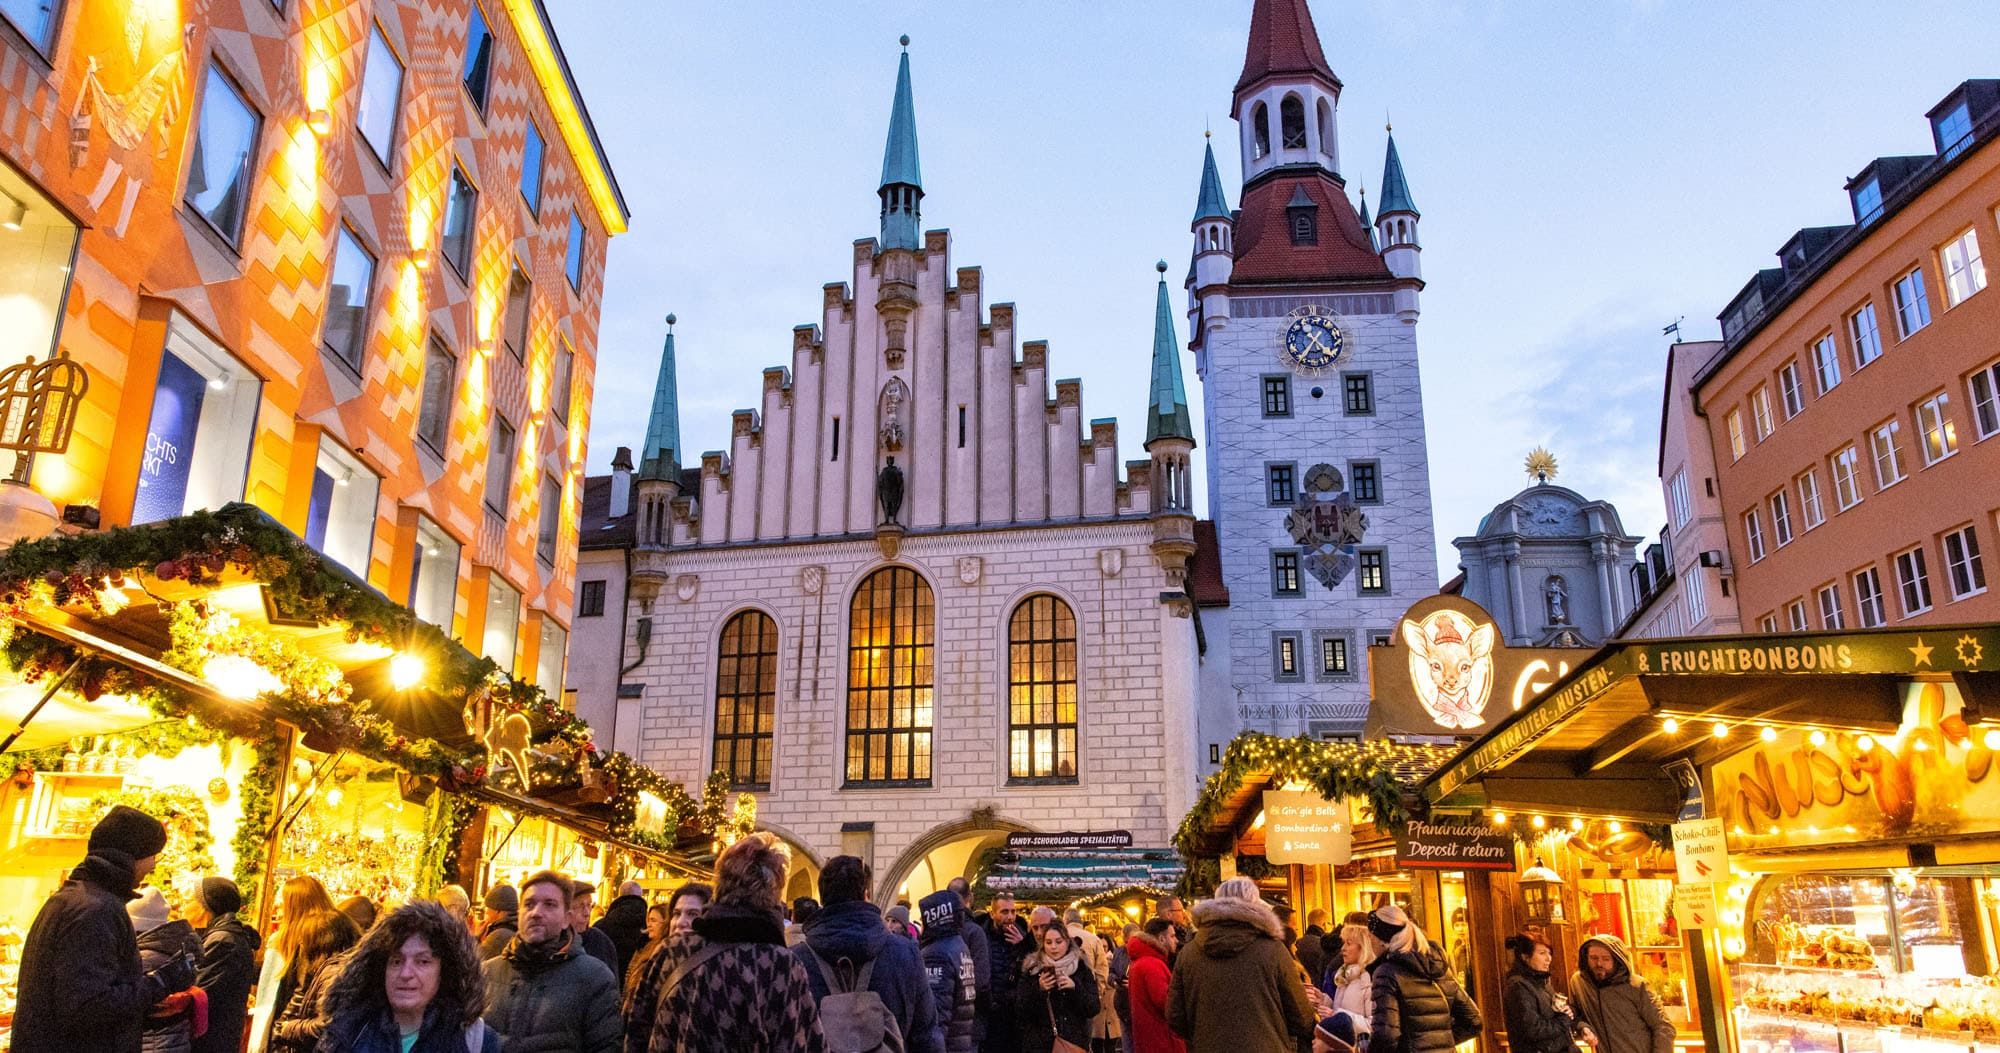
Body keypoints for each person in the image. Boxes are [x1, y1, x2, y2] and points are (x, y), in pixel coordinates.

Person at [11, 805, 196, 1053]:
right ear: (132, 855)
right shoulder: (96, 910)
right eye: (152, 855)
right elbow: (87, 1006)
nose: (153, 866)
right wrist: (162, 981)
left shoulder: (73, 898)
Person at [623, 832, 824, 1052]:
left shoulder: (672, 951)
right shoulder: (781, 965)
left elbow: (635, 1031)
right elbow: (801, 1043)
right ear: (773, 892)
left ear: (720, 882)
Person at [792, 855, 942, 1053]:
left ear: (822, 898)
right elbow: (926, 1035)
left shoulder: (795, 961)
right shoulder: (904, 952)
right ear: (866, 894)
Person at [318, 899, 502, 1053]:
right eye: (396, 961)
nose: (406, 973)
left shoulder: (474, 1041)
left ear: (445, 971)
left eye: (422, 961)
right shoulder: (349, 1032)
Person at [1165, 877, 1314, 1053]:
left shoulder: (1188, 954)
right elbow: (1301, 1017)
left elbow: (1175, 1016)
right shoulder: (1273, 951)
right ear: (1255, 904)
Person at [479, 870, 619, 1053]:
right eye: (529, 904)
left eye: (550, 905)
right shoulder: (487, 973)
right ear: (519, 913)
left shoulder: (595, 979)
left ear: (566, 918)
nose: (536, 913)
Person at [266, 875, 363, 1053]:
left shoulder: (312, 934)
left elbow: (301, 994)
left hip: (304, 1037)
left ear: (294, 906)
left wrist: (282, 1030)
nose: (280, 910)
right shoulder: (346, 928)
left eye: (283, 904)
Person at [1365, 904, 1480, 1053]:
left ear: (1381, 939)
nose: (1369, 942)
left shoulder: (1386, 972)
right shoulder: (1439, 968)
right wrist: (1440, 1042)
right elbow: (1473, 1021)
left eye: (1370, 937)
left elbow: (1386, 1035)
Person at [187, 876, 260, 1053]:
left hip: (212, 1040)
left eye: (190, 899)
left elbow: (198, 991)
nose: (184, 905)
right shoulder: (219, 935)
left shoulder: (223, 940)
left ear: (205, 907)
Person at [130, 886, 206, 1053]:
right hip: (174, 1041)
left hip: (152, 1043)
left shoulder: (144, 958)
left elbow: (129, 1004)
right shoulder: (174, 950)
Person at [1570, 934, 1674, 1053]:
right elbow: (1575, 1014)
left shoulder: (1637, 986)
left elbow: (1663, 1027)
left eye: (1606, 959)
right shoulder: (1579, 983)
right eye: (1593, 958)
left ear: (1617, 959)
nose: (1599, 963)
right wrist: (1583, 1027)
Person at [1019, 922, 1101, 1053]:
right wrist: (1039, 989)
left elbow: (1093, 1008)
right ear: (1043, 944)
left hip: (1073, 1043)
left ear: (1067, 942)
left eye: (1058, 942)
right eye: (1048, 942)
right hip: (1039, 1044)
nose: (1053, 947)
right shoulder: (1033, 969)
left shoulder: (1081, 968)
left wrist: (1075, 988)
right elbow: (1021, 1009)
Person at [918, 888, 978, 1053]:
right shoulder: (959, 946)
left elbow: (936, 1013)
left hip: (946, 1045)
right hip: (960, 1043)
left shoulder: (937, 954)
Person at [1503, 933, 1583, 1053]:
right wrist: (1565, 1019)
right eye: (1542, 953)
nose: (1548, 958)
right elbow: (1533, 1030)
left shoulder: (1542, 983)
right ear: (1525, 957)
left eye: (1549, 953)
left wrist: (1568, 1011)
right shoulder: (1518, 986)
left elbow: (1552, 1016)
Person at [979, 892, 1032, 1053]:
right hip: (990, 1013)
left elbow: (1032, 969)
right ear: (992, 913)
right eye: (1004, 912)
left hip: (1015, 1014)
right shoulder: (981, 937)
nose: (1010, 917)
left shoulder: (1023, 936)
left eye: (1013, 912)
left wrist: (1023, 946)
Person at [1063, 908, 1119, 1053]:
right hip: (1086, 997)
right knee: (1084, 1041)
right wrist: (1097, 995)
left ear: (1065, 920)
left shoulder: (1059, 937)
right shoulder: (1094, 939)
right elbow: (1102, 971)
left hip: (1061, 998)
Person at [1124, 918, 1183, 1053]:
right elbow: (1166, 1003)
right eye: (1172, 936)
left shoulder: (1141, 961)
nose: (1176, 940)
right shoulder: (1153, 965)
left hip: (1149, 1039)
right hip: (1162, 1041)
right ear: (1161, 939)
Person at [946, 878, 991, 1048]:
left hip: (942, 1019)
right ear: (970, 897)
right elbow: (982, 980)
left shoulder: (936, 929)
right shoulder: (975, 932)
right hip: (969, 1021)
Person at [1318, 923, 1375, 1045]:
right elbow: (1341, 1007)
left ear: (1363, 948)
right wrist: (1323, 1000)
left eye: (1348, 943)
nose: (1343, 948)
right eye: (1343, 943)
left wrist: (1337, 1016)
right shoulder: (1344, 975)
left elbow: (1372, 1025)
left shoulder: (1369, 979)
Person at [594, 882, 651, 981]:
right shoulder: (650, 929)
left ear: (619, 895)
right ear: (641, 897)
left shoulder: (601, 926)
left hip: (605, 982)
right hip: (635, 984)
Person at [569, 880, 622, 974]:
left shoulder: (600, 942)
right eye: (580, 906)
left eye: (589, 905)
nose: (587, 913)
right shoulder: (551, 941)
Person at [477, 884, 519, 960]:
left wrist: (476, 937)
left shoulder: (499, 936)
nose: (487, 912)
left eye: (488, 908)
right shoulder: (515, 927)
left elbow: (473, 959)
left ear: (498, 910)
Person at [1296, 910, 1328, 990]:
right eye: (1330, 923)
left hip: (1301, 988)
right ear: (1324, 924)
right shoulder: (1323, 945)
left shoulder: (1297, 943)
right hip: (1318, 990)